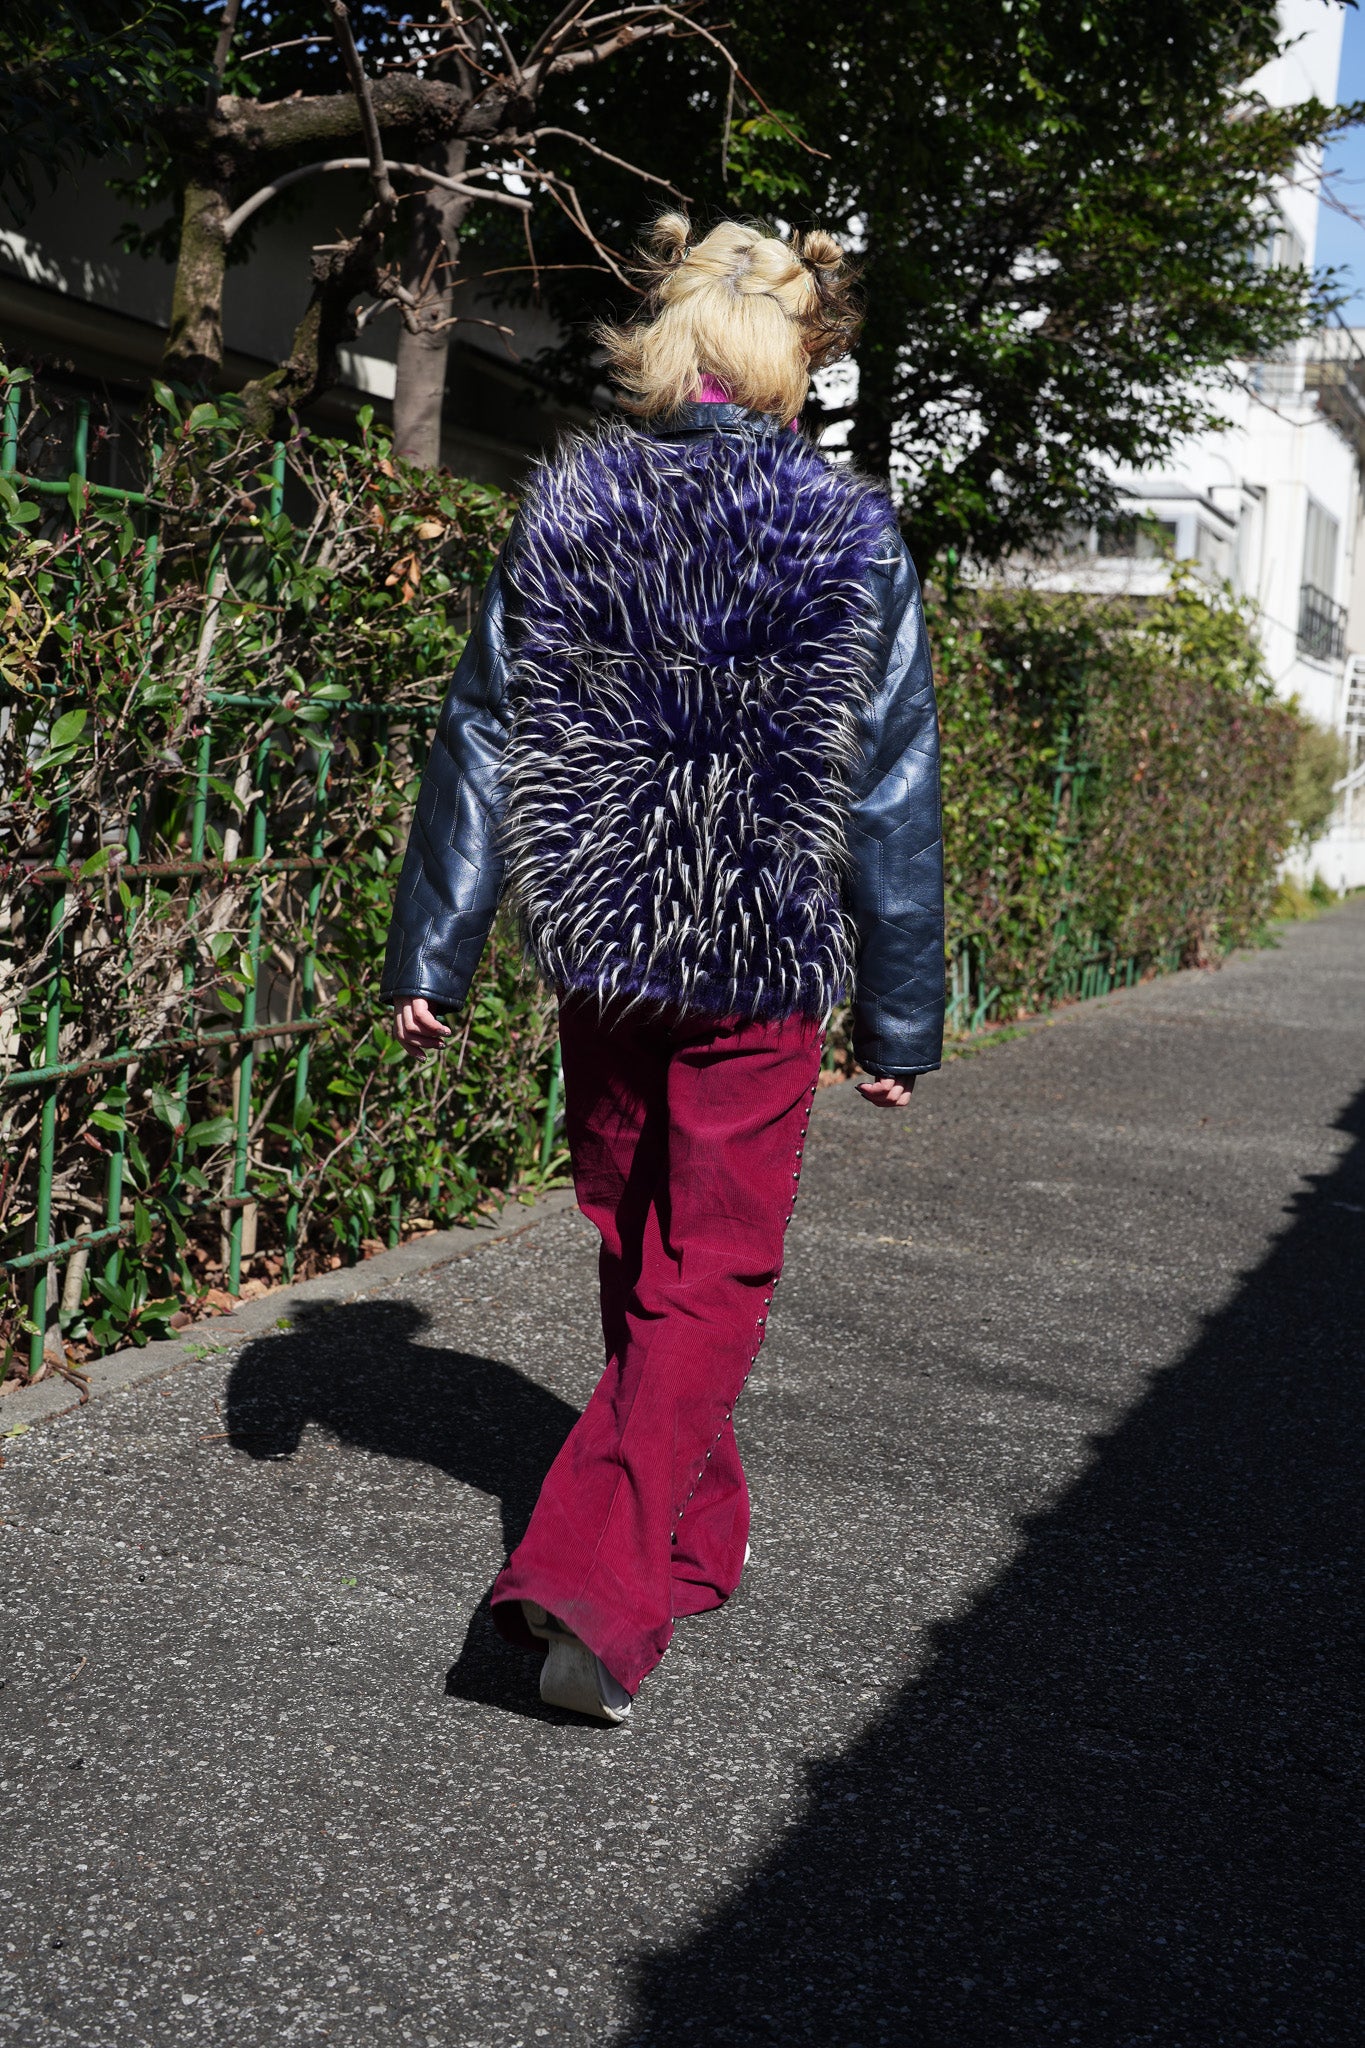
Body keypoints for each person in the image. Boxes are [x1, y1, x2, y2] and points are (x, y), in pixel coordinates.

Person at [382, 214, 944, 1724]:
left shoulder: (573, 510)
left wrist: (435, 939)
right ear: (789, 360)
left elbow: (485, 727)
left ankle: (685, 1541)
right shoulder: (848, 531)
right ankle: (599, 1587)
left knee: (642, 1245)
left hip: (611, 948)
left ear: (666, 342)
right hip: (760, 955)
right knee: (704, 1271)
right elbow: (889, 784)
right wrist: (897, 1012)